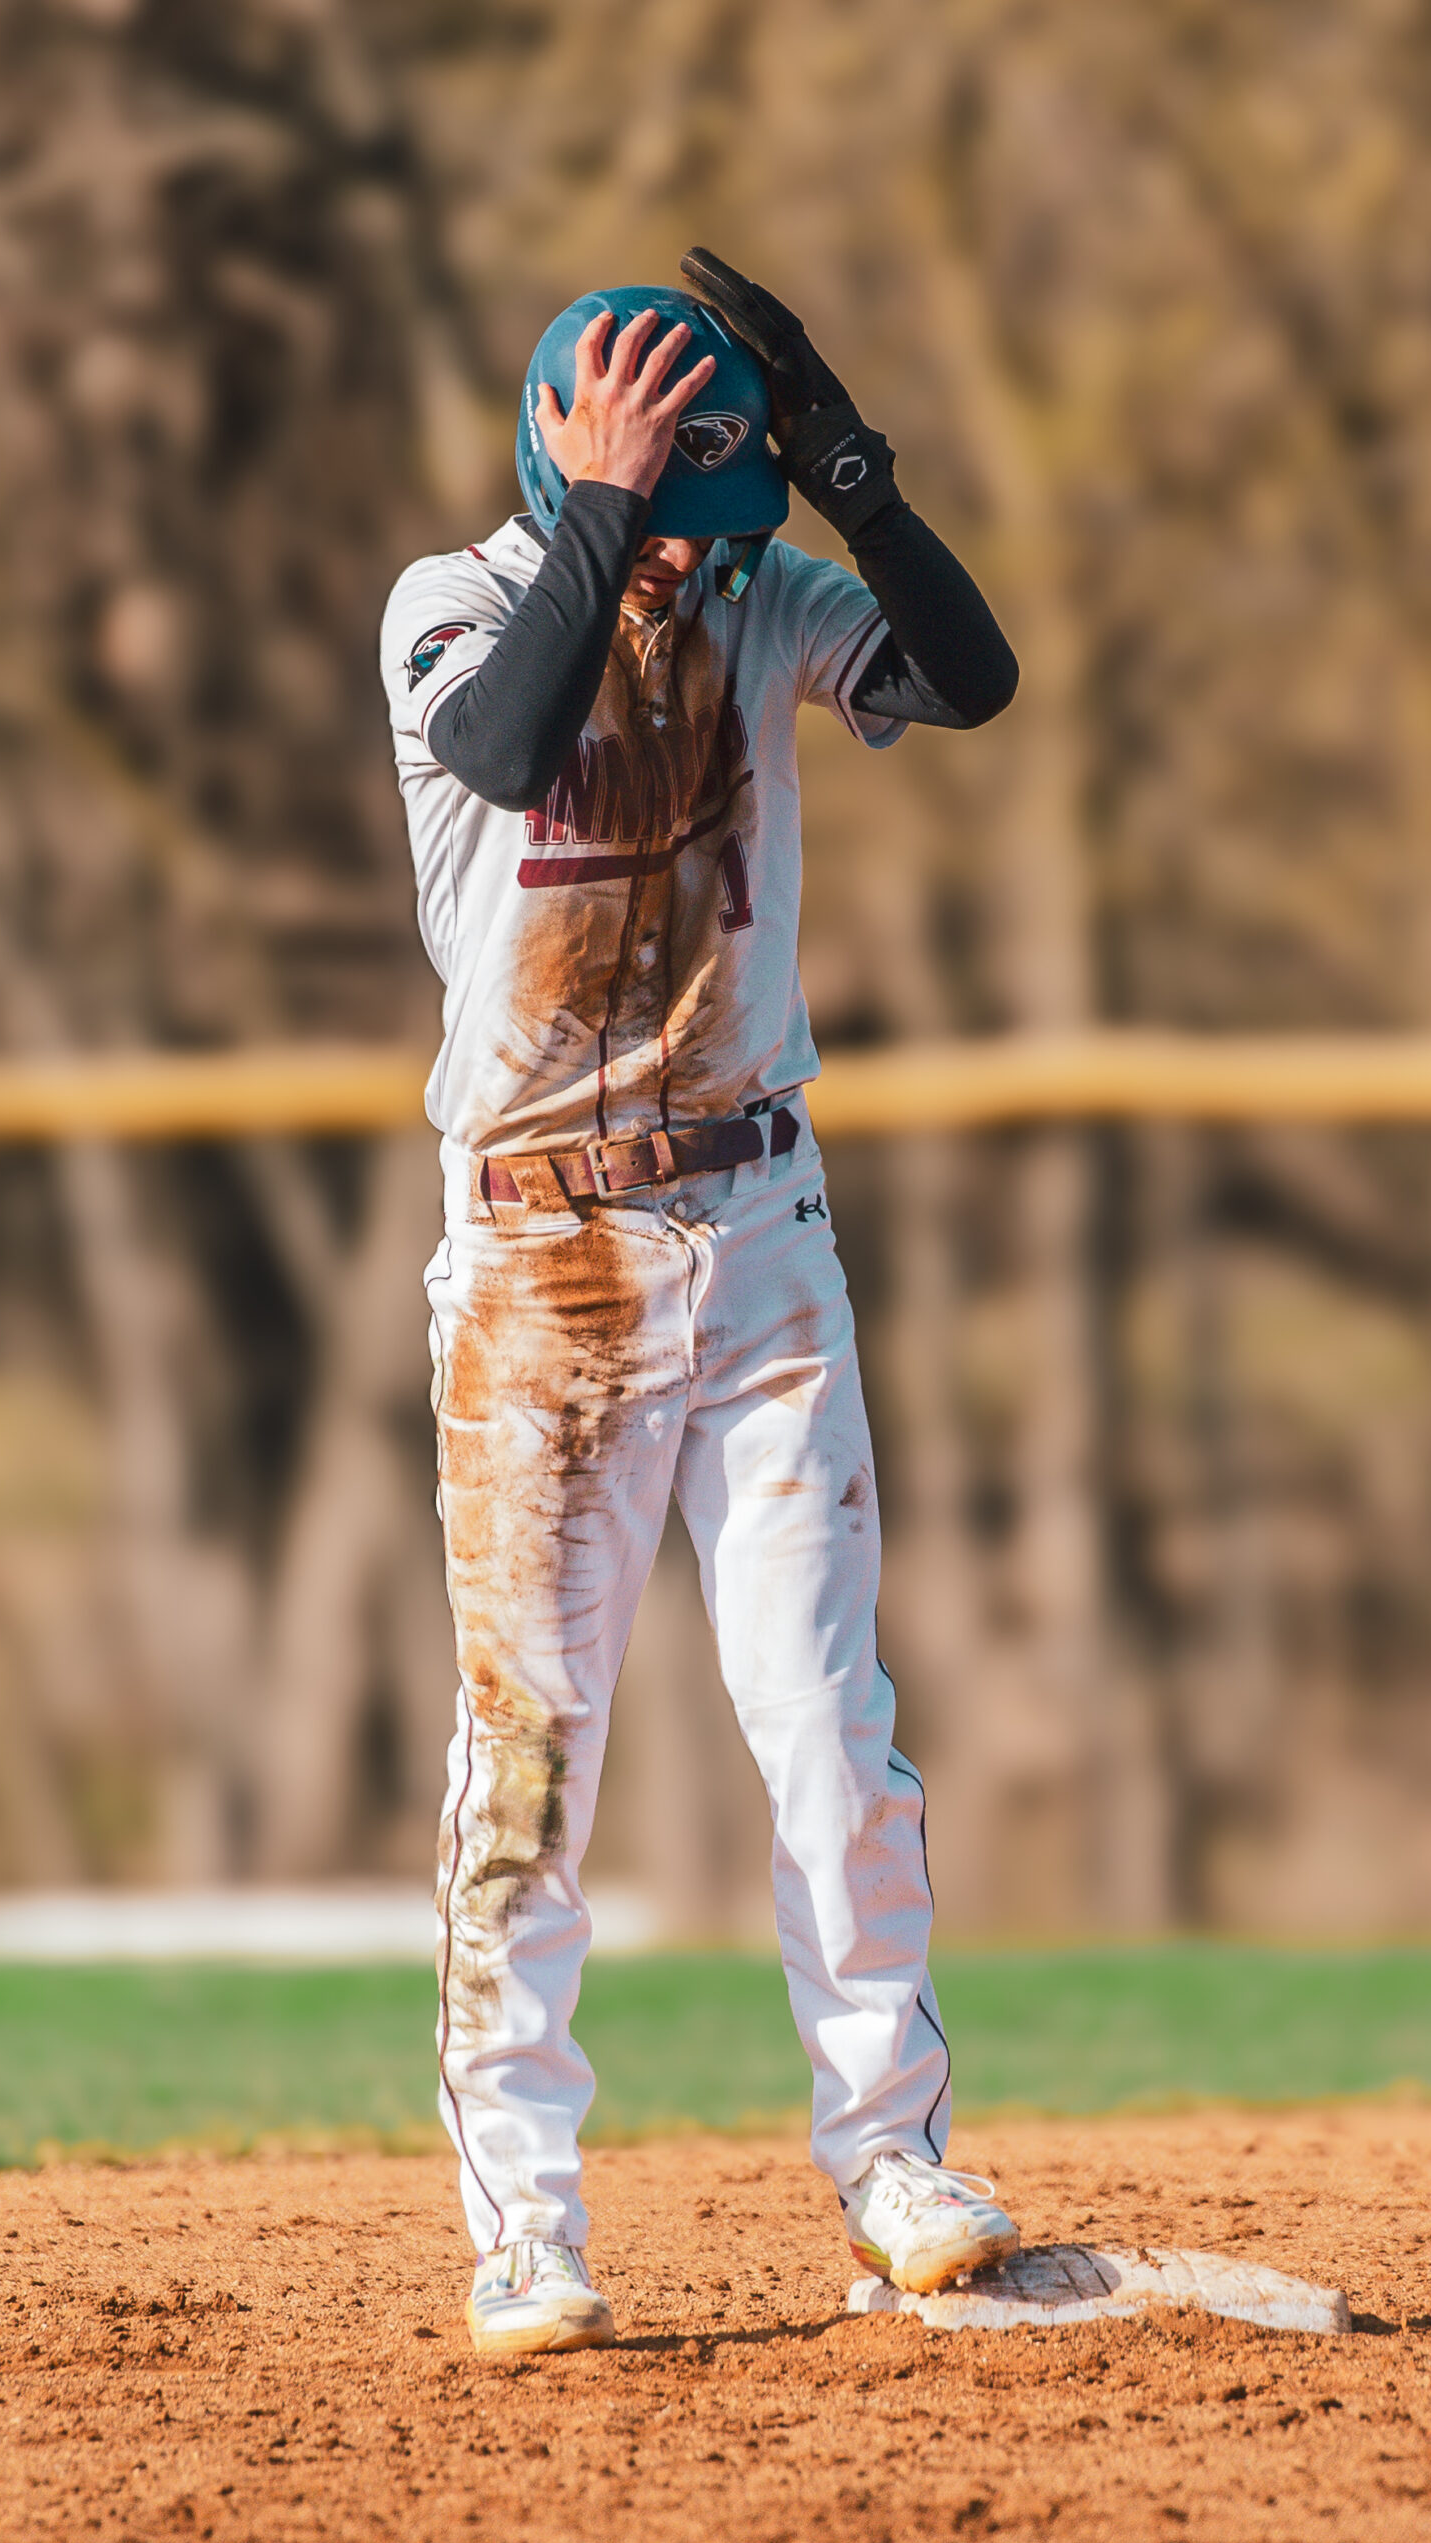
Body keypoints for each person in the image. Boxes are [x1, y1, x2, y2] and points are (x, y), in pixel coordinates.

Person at [380, 250, 1021, 2358]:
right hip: (542, 1253)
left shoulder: (759, 598)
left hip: (762, 1229)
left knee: (833, 1732)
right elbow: (499, 739)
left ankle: (896, 2149)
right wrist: (593, 510)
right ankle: (530, 2222)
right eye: (670, 507)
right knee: (534, 1753)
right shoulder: (457, 603)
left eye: (705, 519)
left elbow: (972, 673)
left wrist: (848, 470)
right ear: (573, 456)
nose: (692, 553)